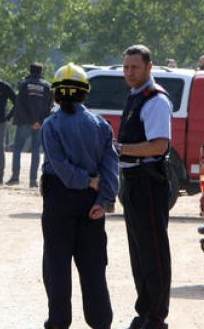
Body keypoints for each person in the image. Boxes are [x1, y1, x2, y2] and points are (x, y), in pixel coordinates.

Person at [40, 63, 118, 329]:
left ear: (57, 94)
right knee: (93, 266)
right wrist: (103, 200)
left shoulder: (51, 125)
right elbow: (110, 167)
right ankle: (100, 322)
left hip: (59, 200)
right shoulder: (101, 125)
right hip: (91, 204)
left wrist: (85, 181)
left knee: (57, 265)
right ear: (85, 93)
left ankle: (59, 322)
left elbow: (60, 167)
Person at [117, 44, 172, 329]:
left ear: (149, 67)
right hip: (132, 181)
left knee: (153, 250)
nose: (130, 72)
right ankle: (145, 310)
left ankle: (156, 316)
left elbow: (159, 145)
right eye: (126, 67)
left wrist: (119, 148)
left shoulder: (155, 100)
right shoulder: (134, 96)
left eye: (135, 67)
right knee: (138, 253)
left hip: (148, 181)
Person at [9, 62, 53, 187]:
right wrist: (39, 121)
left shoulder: (24, 85)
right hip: (39, 124)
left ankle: (15, 177)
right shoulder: (47, 86)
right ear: (41, 72)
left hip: (24, 123)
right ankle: (33, 180)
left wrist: (30, 120)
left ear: (30, 71)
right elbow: (49, 106)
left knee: (17, 149)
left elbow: (20, 105)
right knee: (35, 151)